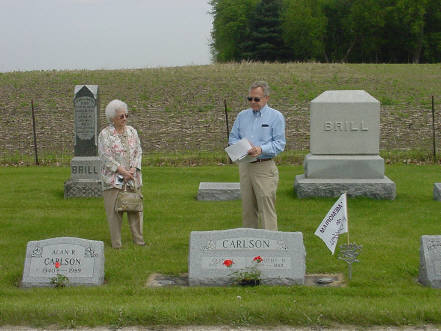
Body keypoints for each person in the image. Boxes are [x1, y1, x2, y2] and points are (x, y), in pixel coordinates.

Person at [228, 81, 286, 231]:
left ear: (266, 98)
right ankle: (250, 246)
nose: (252, 102)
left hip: (264, 167)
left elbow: (280, 143)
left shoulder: (276, 117)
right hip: (245, 166)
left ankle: (270, 246)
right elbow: (233, 137)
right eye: (250, 99)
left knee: (266, 210)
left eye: (256, 99)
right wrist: (242, 147)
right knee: (248, 209)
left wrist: (261, 149)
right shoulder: (242, 116)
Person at [98, 99, 145, 249]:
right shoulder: (105, 135)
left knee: (135, 209)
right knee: (114, 213)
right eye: (121, 116)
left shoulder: (132, 131)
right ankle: (116, 244)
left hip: (132, 178)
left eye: (126, 115)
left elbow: (138, 151)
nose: (125, 119)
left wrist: (133, 169)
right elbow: (105, 156)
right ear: (112, 119)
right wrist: (121, 170)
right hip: (113, 180)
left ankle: (139, 241)